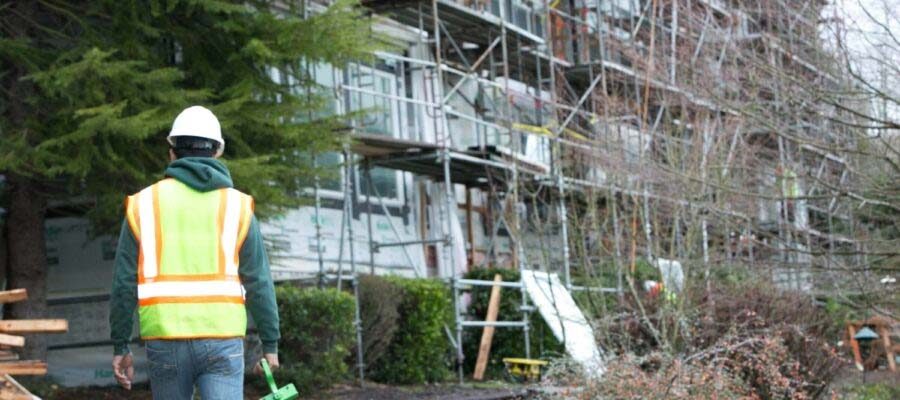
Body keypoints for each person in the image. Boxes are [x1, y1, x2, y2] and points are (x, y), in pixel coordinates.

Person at [109, 106, 280, 399]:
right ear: (217, 153)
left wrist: (121, 346)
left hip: (165, 339)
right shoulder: (238, 207)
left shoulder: (143, 205)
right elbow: (258, 281)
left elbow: (124, 282)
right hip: (222, 339)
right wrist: (270, 344)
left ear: (171, 151)